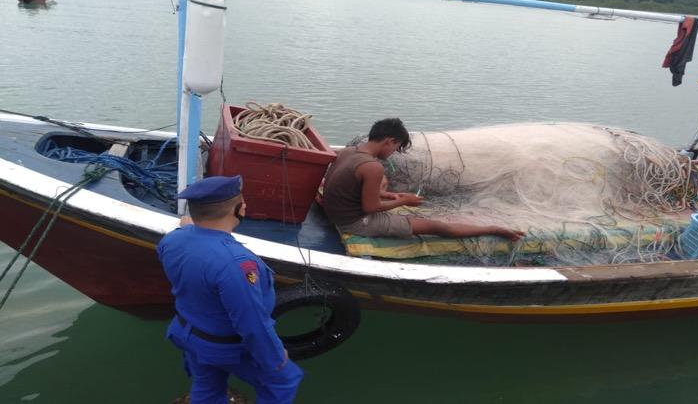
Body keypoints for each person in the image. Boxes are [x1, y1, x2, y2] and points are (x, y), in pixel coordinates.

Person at [158, 175, 302, 404]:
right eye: (242, 202)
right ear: (238, 209)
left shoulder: (173, 239)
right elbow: (251, 322)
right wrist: (274, 358)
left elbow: (189, 235)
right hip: (224, 346)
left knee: (207, 386)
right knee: (284, 381)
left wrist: (190, 228)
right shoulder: (237, 264)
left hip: (188, 333)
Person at [322, 118, 524, 241]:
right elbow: (370, 208)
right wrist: (403, 201)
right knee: (435, 226)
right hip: (354, 222)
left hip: (335, 211)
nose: (393, 153)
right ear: (389, 141)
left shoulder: (348, 152)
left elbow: (350, 187)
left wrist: (389, 194)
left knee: (383, 184)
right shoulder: (372, 167)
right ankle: (495, 229)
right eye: (395, 147)